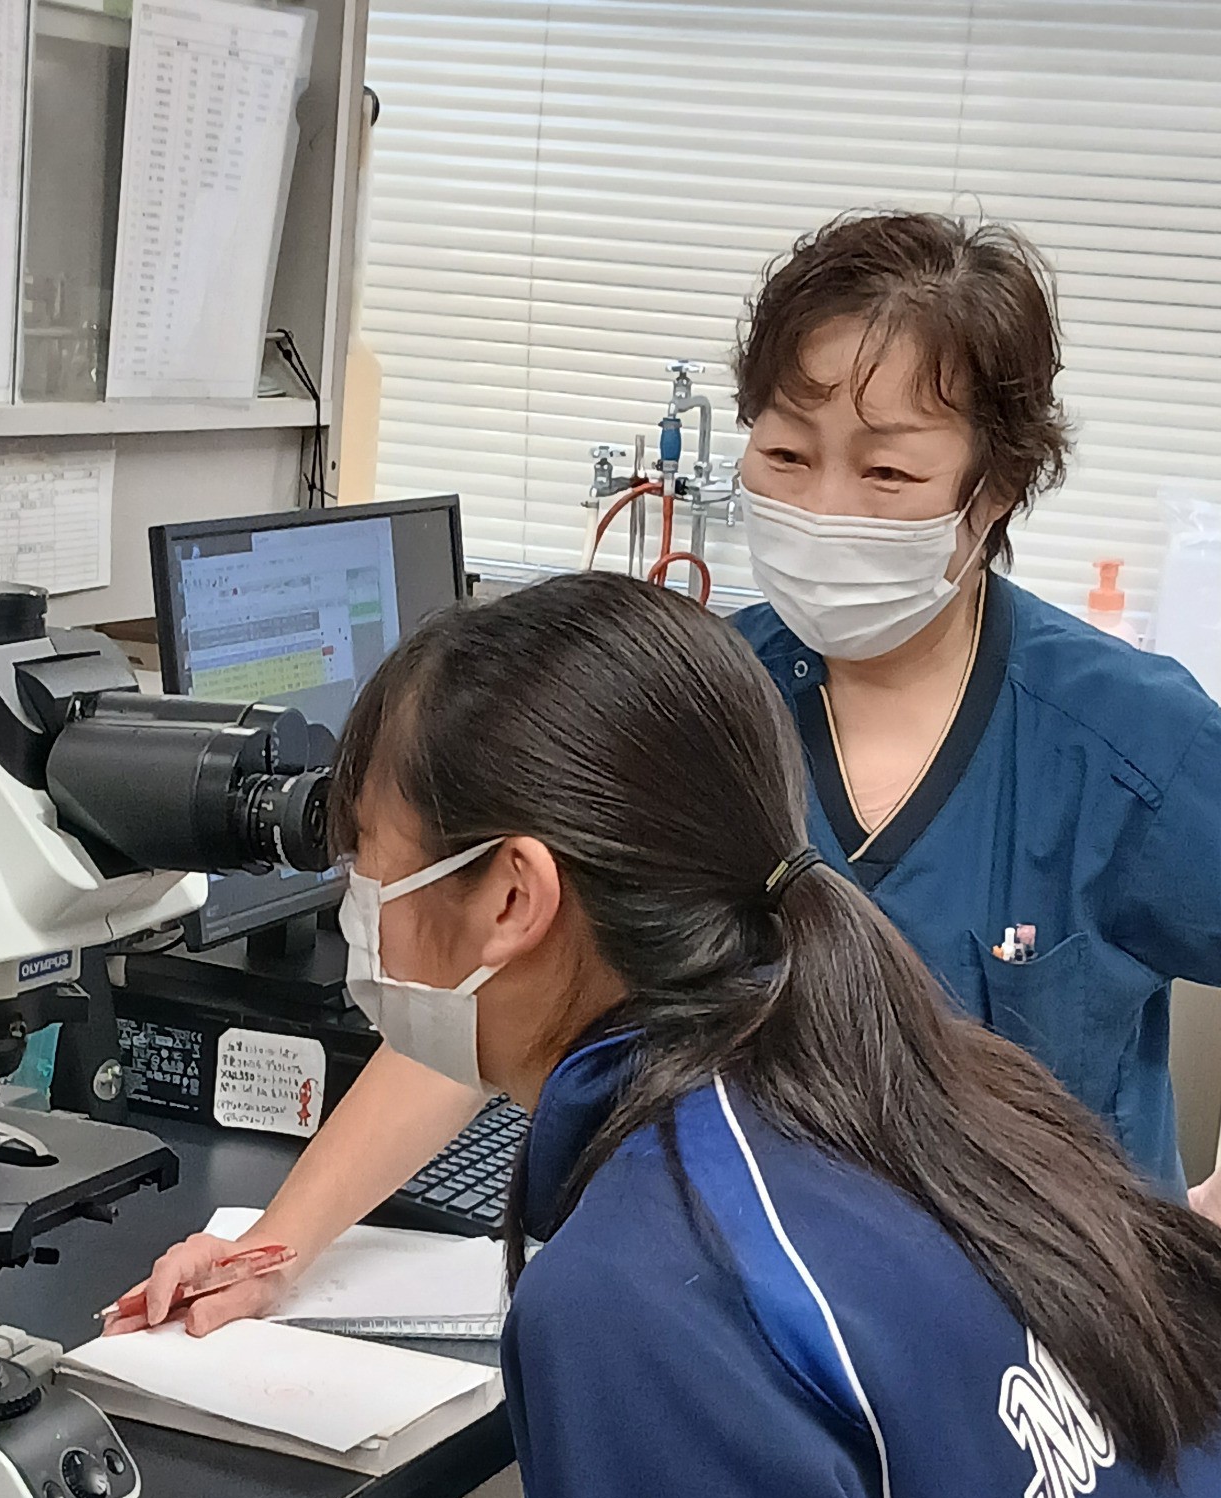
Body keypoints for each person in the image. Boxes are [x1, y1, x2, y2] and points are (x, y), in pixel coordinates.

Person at [288, 572, 1221, 1498]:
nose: (355, 909)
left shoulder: (651, 1303)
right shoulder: (908, 1090)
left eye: (369, 855)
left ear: (511, 896)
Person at [132, 209, 1221, 1332]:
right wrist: (274, 1244)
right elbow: (482, 985)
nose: (823, 509)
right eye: (787, 455)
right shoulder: (693, 700)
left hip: (1056, 1361)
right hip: (769, 1336)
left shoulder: (1126, 741)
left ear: (989, 494)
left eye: (887, 472)